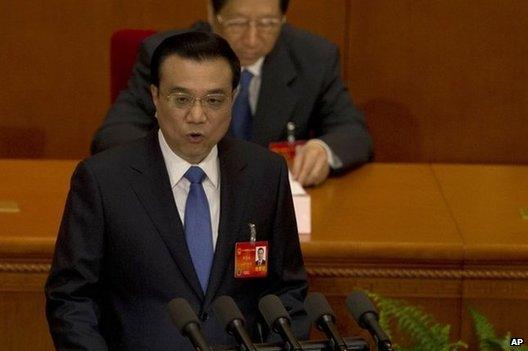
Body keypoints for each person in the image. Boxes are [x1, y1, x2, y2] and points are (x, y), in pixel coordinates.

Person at [46, 32, 308, 350]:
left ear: (234, 97)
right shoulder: (104, 180)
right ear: (155, 97)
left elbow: (287, 291)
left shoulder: (265, 173)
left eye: (214, 100)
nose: (197, 116)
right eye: (181, 99)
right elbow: (71, 299)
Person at [91, 0, 373, 187]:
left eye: (267, 24)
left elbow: (352, 132)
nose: (252, 39)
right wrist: (171, 159)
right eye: (238, 23)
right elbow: (114, 133)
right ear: (212, 15)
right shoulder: (166, 56)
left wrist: (323, 150)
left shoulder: (314, 58)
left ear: (283, 18)